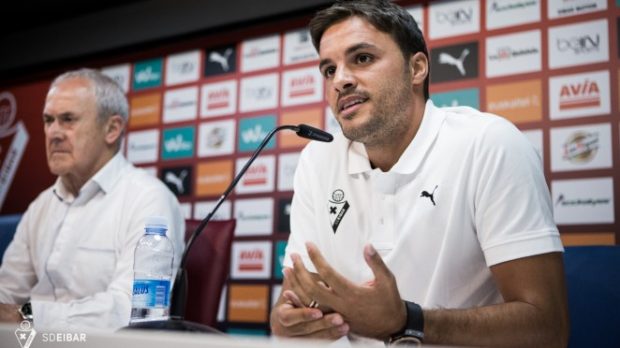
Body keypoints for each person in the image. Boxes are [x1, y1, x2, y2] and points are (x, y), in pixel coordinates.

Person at [270, 0, 569, 346]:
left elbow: (548, 327)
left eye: (362, 59)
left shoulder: (490, 144)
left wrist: (407, 321)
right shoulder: (316, 160)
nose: (341, 81)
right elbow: (291, 301)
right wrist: (290, 321)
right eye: (329, 70)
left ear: (417, 69)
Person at [0, 69, 185, 331]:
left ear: (111, 129)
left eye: (68, 120)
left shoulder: (148, 199)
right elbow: (7, 291)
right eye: (48, 120)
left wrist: (26, 317)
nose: (53, 132)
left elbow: (129, 311)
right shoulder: (40, 205)